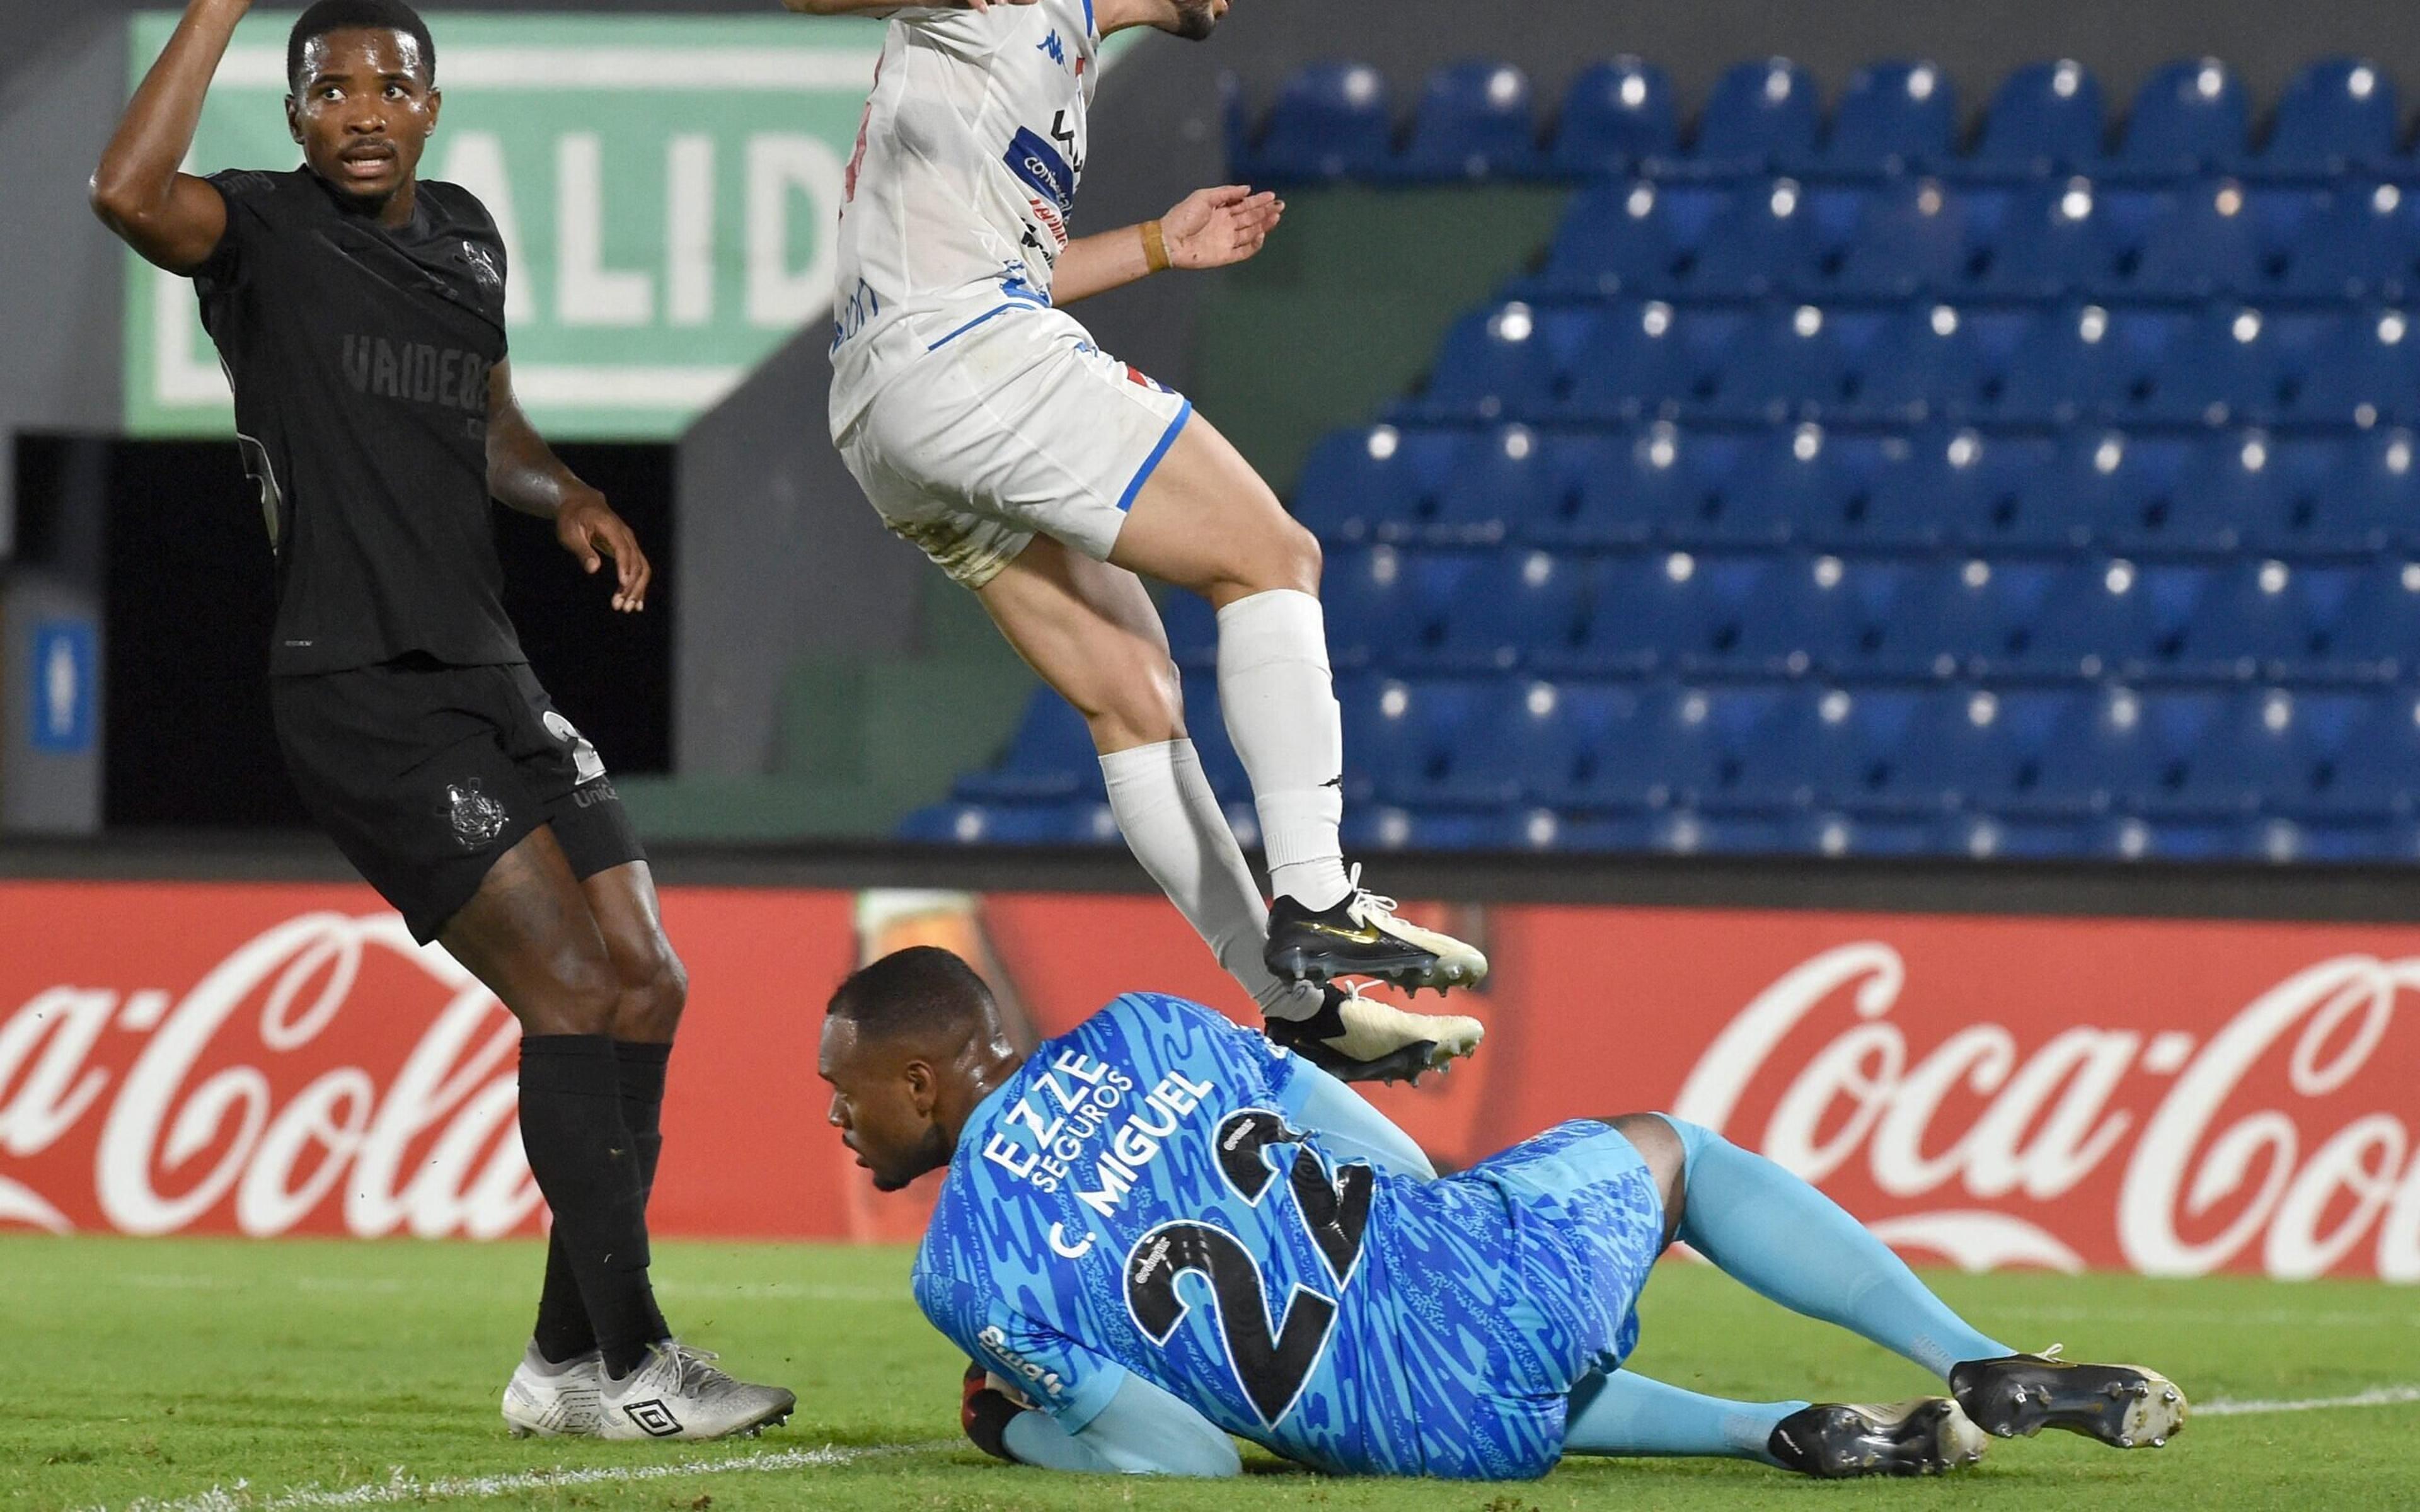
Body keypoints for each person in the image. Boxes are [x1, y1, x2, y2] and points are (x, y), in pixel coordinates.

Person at [89, 0, 791, 1441]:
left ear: (431, 104)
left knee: (647, 980)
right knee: (570, 991)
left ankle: (559, 1365)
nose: (359, 107)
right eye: (327, 87)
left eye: (387, 85)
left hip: (491, 669)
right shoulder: (261, 235)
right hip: (359, 688)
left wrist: (571, 496)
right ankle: (641, 1362)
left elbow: (490, 429)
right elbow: (123, 194)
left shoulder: (467, 234)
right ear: (292, 114)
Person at [783, 0, 1485, 1083]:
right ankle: (1317, 893)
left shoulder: (1059, 55)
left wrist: (1160, 245)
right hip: (962, 355)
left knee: (1134, 691)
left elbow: (990, 261)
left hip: (881, 410)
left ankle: (1296, 1005)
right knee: (1271, 555)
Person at [817, 948, 2190, 1480]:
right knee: (1675, 1149)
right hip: (1469, 1288)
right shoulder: (1147, 1023)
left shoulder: (963, 1274)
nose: (839, 1116)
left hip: (1417, 1440)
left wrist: (1020, 1432)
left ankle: (1767, 1432)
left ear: (925, 1079)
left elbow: (1187, 1464)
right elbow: (1374, 1150)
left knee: (1447, 1371)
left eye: (847, 1091)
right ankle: (1968, 1357)